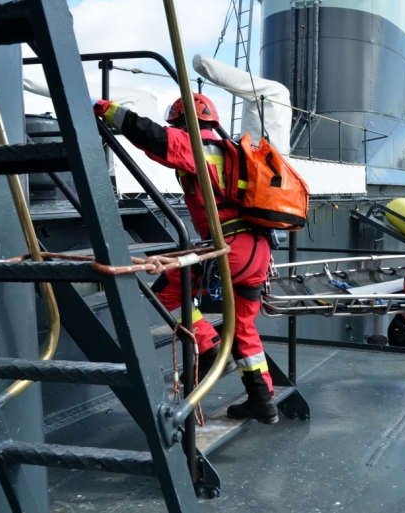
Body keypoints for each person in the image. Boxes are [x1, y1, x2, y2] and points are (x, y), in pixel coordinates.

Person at [93, 94, 278, 424]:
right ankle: (262, 400)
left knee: (166, 292)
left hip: (230, 247)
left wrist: (107, 110)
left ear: (184, 121)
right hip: (258, 250)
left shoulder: (199, 145)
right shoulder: (230, 150)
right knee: (244, 327)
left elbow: (153, 136)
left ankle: (206, 347)